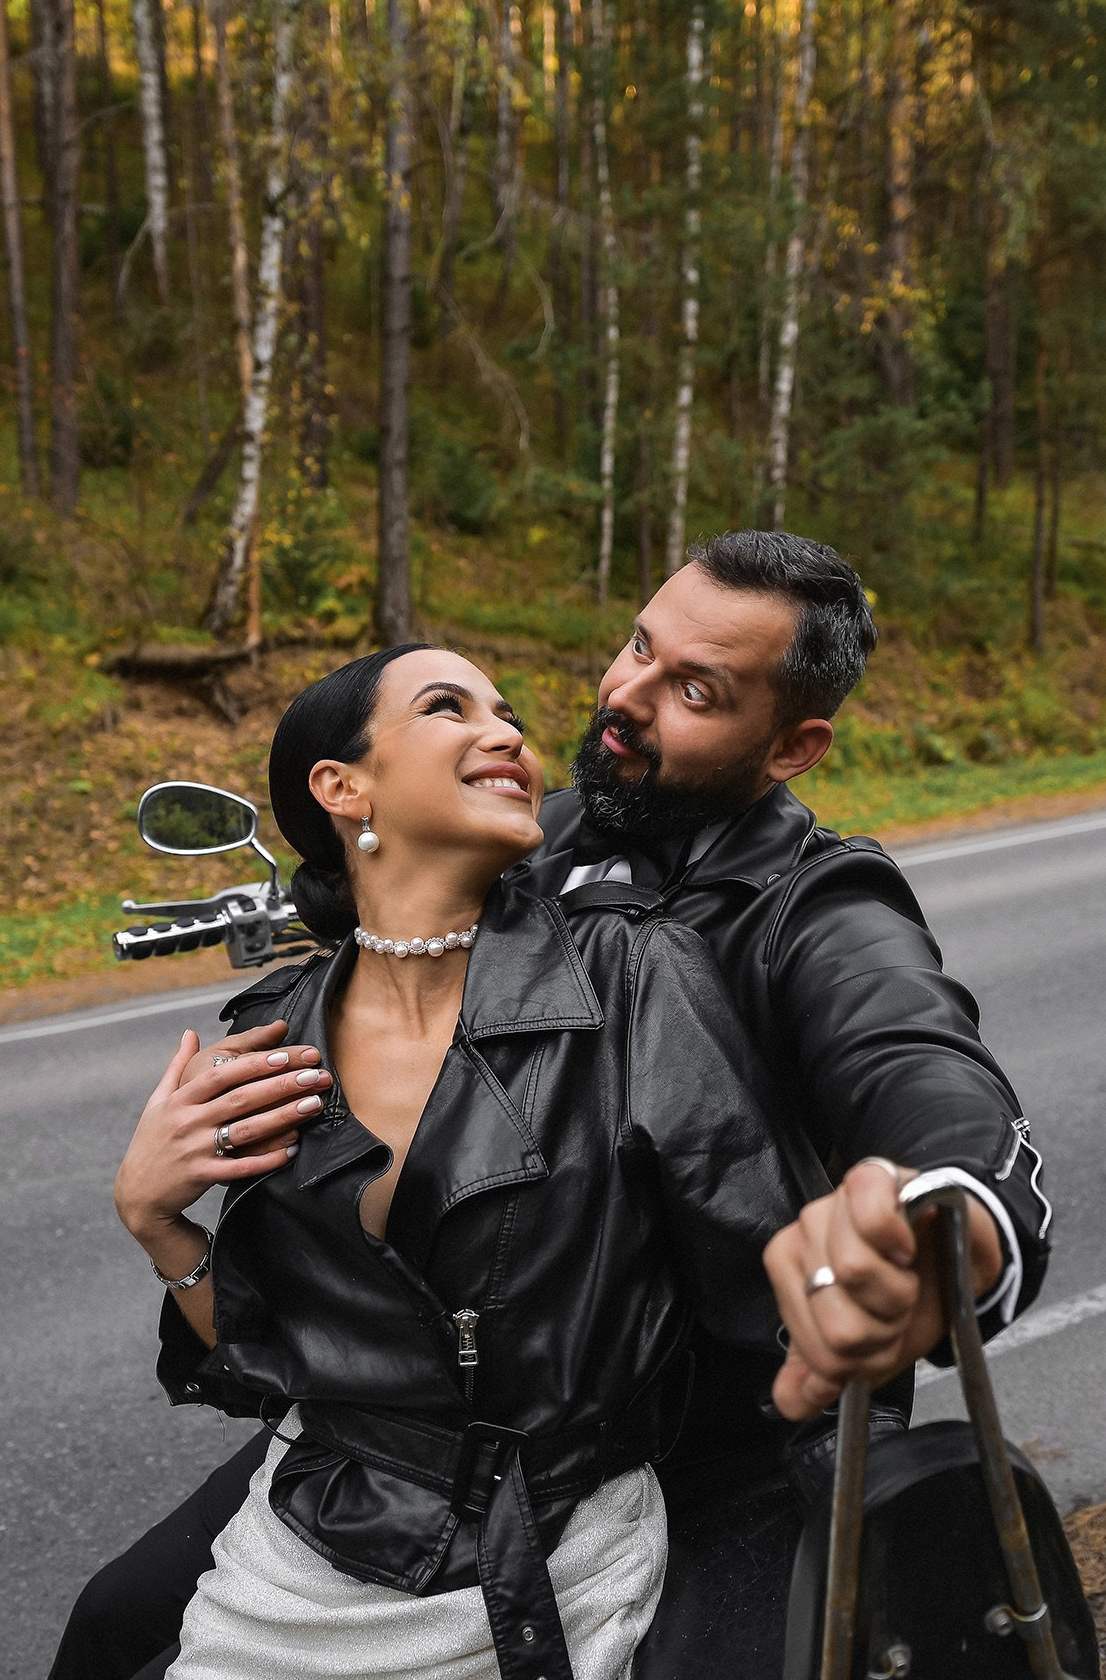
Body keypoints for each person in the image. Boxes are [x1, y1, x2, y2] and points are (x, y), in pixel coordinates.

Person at [57, 532, 1053, 1680]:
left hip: (728, 1422)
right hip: (447, 1414)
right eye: (638, 644)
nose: (625, 695)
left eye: (693, 689)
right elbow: (400, 895)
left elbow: (920, 1063)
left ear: (791, 745)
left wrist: (944, 1218)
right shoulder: (563, 822)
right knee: (116, 1624)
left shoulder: (819, 908)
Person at [119, 641, 827, 1680]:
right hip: (293, 1568)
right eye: (450, 707)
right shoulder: (272, 1030)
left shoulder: (629, 970)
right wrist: (159, 1225)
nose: (506, 733)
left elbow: (768, 1274)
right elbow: (286, 1359)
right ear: (341, 785)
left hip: (551, 1560)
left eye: (509, 716)